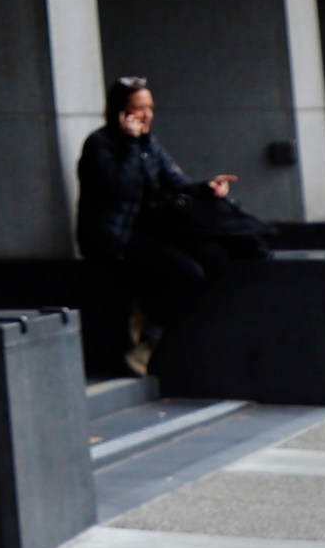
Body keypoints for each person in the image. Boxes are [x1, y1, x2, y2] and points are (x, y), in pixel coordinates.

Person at [75, 76, 268, 376]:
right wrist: (128, 143)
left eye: (150, 107)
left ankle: (150, 309)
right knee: (187, 272)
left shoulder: (148, 144)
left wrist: (208, 187)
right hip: (113, 236)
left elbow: (175, 182)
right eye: (139, 109)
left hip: (151, 229)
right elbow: (119, 189)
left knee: (213, 255)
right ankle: (149, 340)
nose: (147, 115)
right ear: (120, 112)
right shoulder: (100, 144)